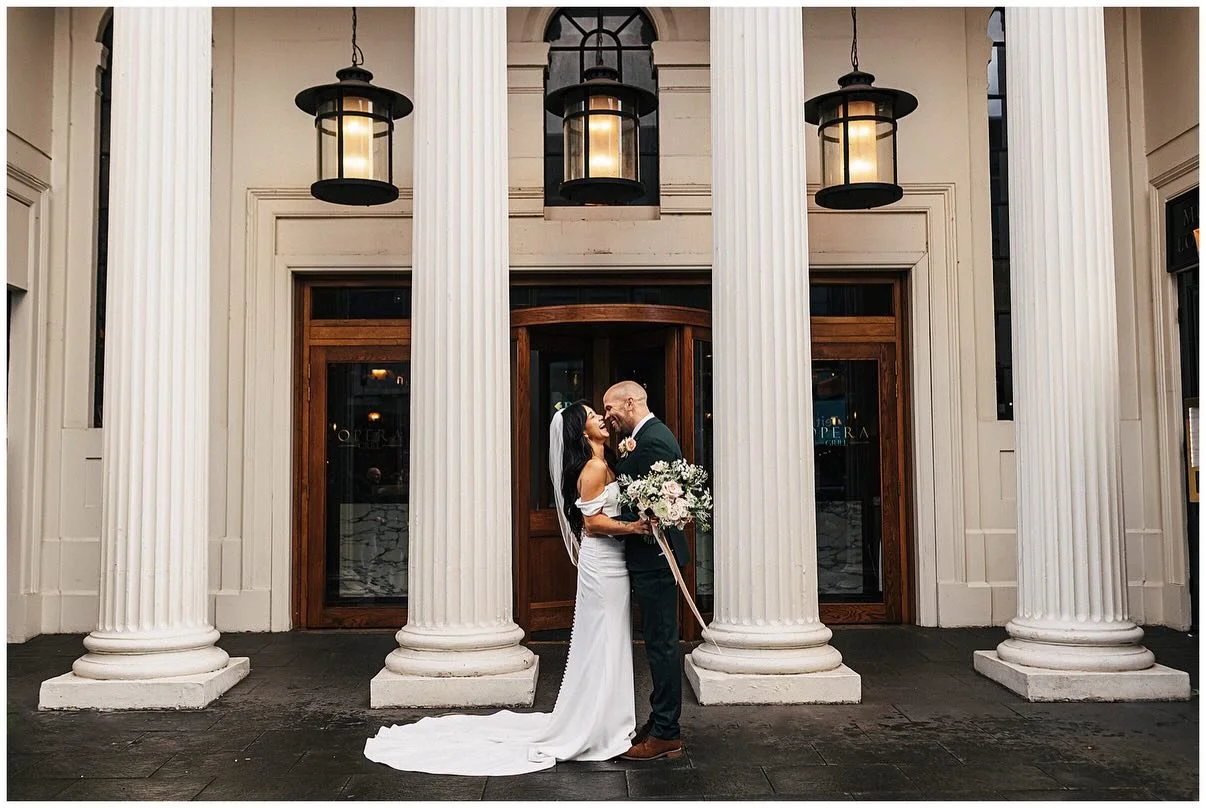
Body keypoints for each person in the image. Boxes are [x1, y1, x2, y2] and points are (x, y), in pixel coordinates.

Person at [362, 401, 651, 776]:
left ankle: (605, 718)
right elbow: (593, 524)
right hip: (604, 561)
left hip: (611, 563)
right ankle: (597, 723)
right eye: (592, 415)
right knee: (602, 639)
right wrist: (634, 528)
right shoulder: (594, 467)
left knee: (609, 638)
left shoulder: (605, 461)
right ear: (582, 431)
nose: (600, 417)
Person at [602, 380, 690, 762]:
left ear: (630, 401)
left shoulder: (652, 438)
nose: (608, 416)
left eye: (610, 408)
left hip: (656, 556)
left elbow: (652, 498)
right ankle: (659, 722)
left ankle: (667, 732)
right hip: (651, 556)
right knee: (658, 642)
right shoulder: (647, 435)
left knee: (662, 645)